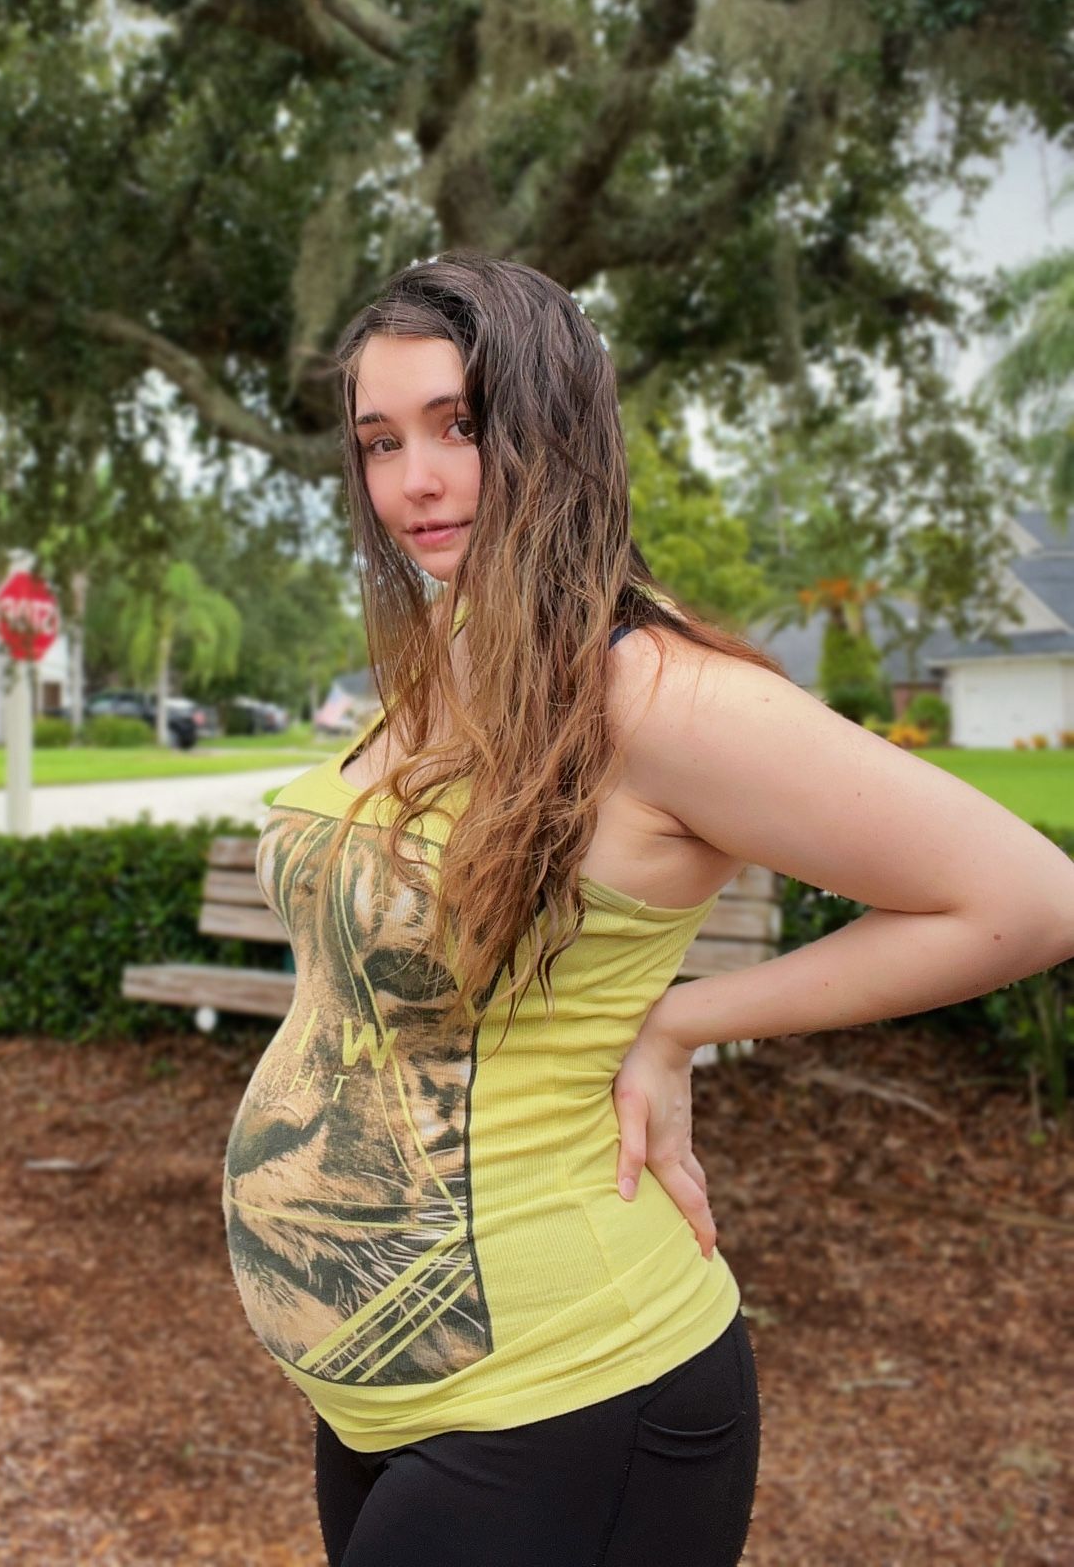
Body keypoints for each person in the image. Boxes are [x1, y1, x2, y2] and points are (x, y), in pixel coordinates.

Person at [222, 252, 1074, 1567]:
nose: (415, 482)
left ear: (553, 426)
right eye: (380, 442)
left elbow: (1025, 899)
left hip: (570, 1395)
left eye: (460, 425)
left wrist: (685, 1020)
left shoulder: (654, 692)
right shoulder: (452, 653)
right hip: (387, 1385)